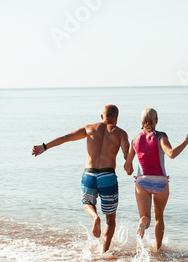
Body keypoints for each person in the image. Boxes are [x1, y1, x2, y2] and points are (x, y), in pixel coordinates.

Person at [32, 105, 130, 253]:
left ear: (102, 116)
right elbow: (127, 155)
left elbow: (66, 138)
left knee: (87, 204)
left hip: (89, 175)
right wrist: (129, 167)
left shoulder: (89, 128)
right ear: (116, 117)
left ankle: (95, 216)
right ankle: (104, 252)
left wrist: (44, 147)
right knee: (110, 219)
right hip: (108, 175)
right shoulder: (121, 133)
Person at [122, 107, 188, 252]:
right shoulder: (161, 136)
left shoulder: (135, 139)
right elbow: (172, 154)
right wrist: (187, 140)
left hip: (142, 182)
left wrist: (129, 169)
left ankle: (143, 223)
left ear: (142, 121)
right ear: (156, 121)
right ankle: (158, 249)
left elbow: (127, 166)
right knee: (159, 218)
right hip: (160, 183)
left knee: (146, 217)